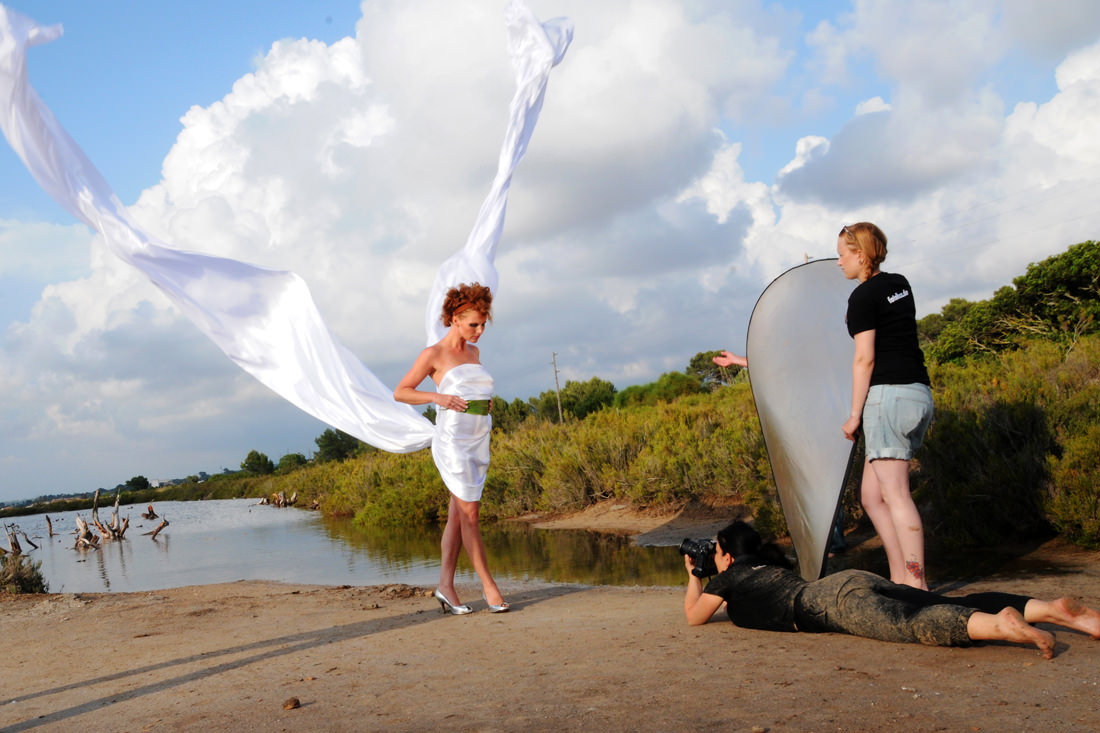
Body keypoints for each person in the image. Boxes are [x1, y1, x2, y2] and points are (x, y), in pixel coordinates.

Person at [683, 521, 1100, 659]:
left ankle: (1001, 626)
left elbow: (695, 616)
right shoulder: (769, 566)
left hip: (829, 605)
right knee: (941, 601)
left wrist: (694, 575)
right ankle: (1051, 609)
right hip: (851, 581)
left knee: (912, 624)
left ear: (725, 554)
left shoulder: (731, 576)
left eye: (715, 552)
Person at [395, 282, 508, 615]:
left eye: (483, 324)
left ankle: (445, 586)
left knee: (457, 518)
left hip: (478, 438)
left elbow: (473, 390)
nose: (480, 331)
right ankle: (490, 588)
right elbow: (401, 392)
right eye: (474, 324)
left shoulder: (473, 354)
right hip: (452, 442)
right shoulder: (433, 355)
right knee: (470, 515)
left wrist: (483, 405)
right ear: (456, 319)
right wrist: (437, 397)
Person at [837, 222, 933, 589]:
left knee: (895, 494)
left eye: (843, 255)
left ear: (860, 255)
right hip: (917, 392)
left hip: (888, 396)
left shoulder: (862, 297)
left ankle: (916, 585)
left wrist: (854, 415)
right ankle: (898, 578)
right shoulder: (899, 284)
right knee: (871, 496)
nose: (839, 262)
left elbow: (865, 360)